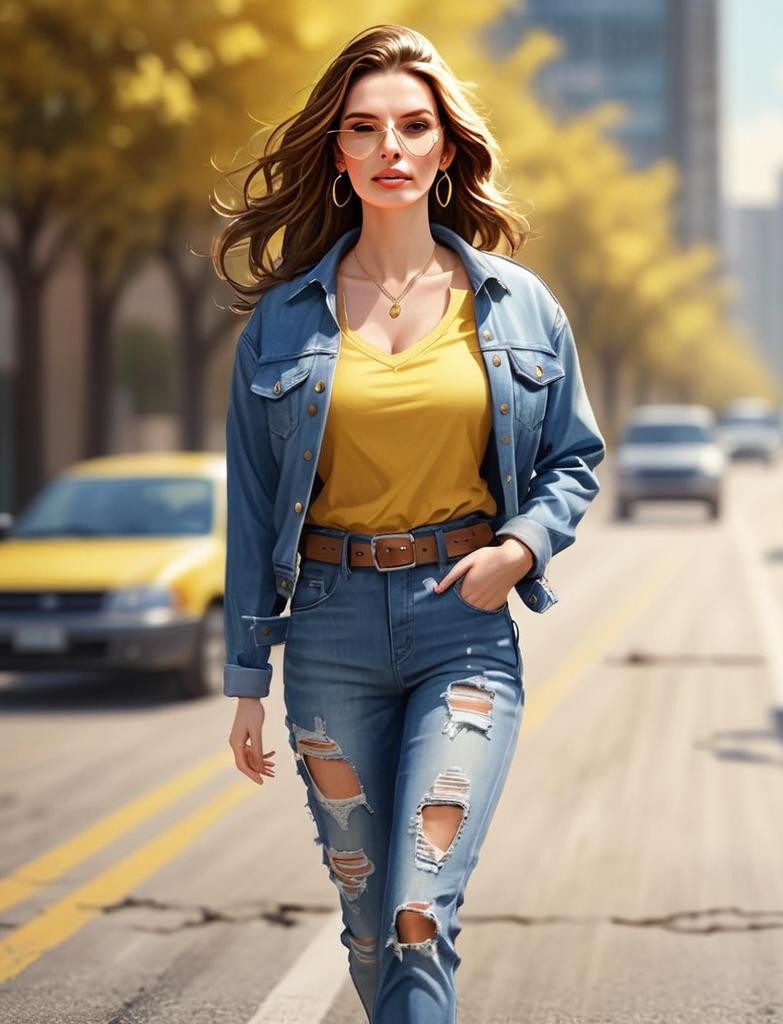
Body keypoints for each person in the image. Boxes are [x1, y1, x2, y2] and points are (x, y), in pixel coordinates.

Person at [209, 23, 605, 1024]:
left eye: (413, 126)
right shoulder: (284, 322)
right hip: (330, 634)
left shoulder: (516, 307)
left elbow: (573, 459)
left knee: (419, 909)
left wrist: (515, 549)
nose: (390, 147)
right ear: (338, 155)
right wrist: (248, 678)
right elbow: (255, 506)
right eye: (364, 129)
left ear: (445, 150)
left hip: (460, 630)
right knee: (367, 917)